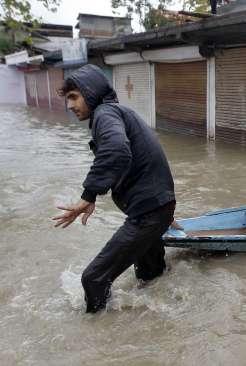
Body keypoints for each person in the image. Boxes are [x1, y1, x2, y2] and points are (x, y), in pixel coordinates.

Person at [52, 64, 176, 313]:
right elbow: (140, 159)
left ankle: (96, 338)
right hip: (156, 208)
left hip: (149, 212)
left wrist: (88, 195)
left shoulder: (104, 114)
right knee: (150, 276)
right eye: (68, 99)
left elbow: (118, 151)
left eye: (74, 97)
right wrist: (163, 208)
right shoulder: (117, 112)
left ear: (91, 91)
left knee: (93, 279)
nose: (70, 106)